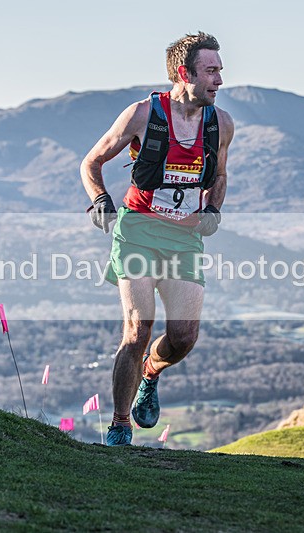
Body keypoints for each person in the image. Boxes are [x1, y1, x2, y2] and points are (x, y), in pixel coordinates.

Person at [80, 32, 234, 446]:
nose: (220, 79)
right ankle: (118, 424)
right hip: (138, 231)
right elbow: (91, 162)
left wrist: (213, 210)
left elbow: (218, 176)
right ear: (184, 73)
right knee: (137, 329)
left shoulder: (220, 124)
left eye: (220, 70)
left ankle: (151, 373)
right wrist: (99, 199)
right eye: (211, 71)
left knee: (184, 336)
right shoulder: (142, 114)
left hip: (184, 238)